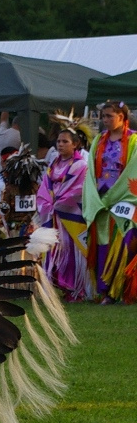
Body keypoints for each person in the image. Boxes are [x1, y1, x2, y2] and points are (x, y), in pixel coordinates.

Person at [82, 100, 137, 303]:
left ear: (122, 117)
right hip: (101, 199)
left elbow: (134, 171)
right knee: (102, 242)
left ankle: (120, 289)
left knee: (122, 243)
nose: (105, 120)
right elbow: (90, 172)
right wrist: (94, 198)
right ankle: (104, 290)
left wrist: (117, 195)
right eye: (103, 116)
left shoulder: (134, 141)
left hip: (123, 199)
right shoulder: (99, 140)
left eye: (109, 116)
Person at [36, 129, 90, 301]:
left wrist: (60, 203)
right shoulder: (53, 165)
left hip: (70, 219)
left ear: (75, 144)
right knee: (53, 252)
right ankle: (57, 287)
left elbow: (79, 190)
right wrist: (47, 205)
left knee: (71, 253)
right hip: (53, 217)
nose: (60, 144)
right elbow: (44, 189)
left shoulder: (80, 166)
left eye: (65, 141)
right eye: (58, 141)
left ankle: (75, 289)